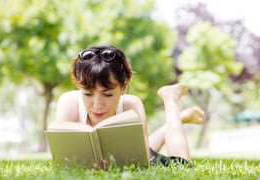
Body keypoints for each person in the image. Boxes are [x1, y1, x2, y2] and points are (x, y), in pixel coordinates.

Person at [54, 45, 204, 169]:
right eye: (87, 94)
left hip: (140, 150)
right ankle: (178, 120)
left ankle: (170, 98)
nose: (97, 105)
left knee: (182, 164)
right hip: (136, 144)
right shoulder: (68, 104)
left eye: (107, 95)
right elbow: (61, 164)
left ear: (123, 87)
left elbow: (144, 161)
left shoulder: (132, 106)